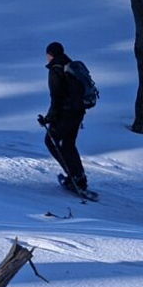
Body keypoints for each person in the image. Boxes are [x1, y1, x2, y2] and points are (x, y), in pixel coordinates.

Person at [37, 40, 89, 196]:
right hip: (78, 111)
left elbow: (57, 98)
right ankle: (79, 177)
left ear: (50, 55)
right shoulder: (70, 65)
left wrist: (48, 119)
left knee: (51, 141)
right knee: (68, 144)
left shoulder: (56, 69)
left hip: (66, 113)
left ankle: (74, 177)